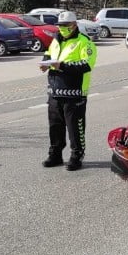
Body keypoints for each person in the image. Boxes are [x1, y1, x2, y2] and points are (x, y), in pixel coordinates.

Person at [40, 11, 97, 171]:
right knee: (55, 126)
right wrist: (45, 64)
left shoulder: (84, 42)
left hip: (75, 92)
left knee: (75, 127)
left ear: (74, 25)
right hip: (55, 91)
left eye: (66, 26)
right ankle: (55, 154)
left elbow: (87, 65)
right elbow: (48, 54)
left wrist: (62, 66)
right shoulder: (56, 40)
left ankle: (76, 155)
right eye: (60, 26)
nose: (62, 28)